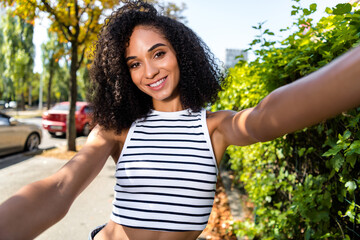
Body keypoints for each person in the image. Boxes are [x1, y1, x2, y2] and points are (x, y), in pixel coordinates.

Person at [1, 1, 360, 240]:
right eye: (135, 63)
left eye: (158, 53)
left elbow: (267, 115)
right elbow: (61, 186)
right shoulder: (119, 129)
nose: (150, 71)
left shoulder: (214, 128)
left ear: (181, 55)